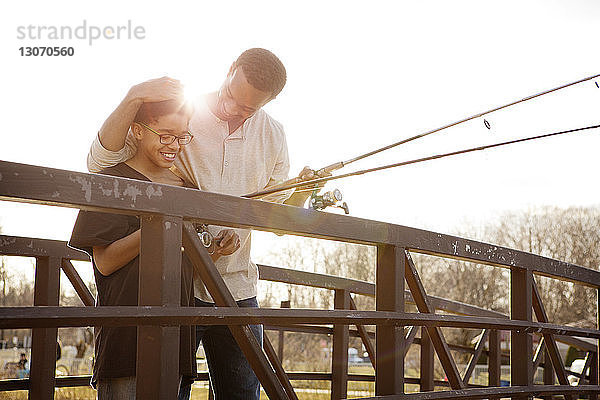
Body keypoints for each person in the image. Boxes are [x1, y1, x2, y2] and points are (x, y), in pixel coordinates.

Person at [86, 48, 322, 400]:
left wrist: (300, 197)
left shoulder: (274, 136)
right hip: (177, 286)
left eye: (247, 109)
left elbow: (272, 217)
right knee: (169, 389)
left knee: (242, 392)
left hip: (237, 287)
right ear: (229, 71)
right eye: (231, 97)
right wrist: (134, 94)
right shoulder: (183, 112)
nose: (233, 110)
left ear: (269, 102)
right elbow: (101, 162)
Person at [70, 99, 241, 399]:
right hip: (127, 344)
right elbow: (106, 262)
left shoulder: (187, 189)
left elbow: (189, 264)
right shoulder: (111, 180)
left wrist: (216, 249)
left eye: (182, 136)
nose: (174, 144)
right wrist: (158, 226)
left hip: (177, 342)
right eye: (165, 135)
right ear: (137, 130)